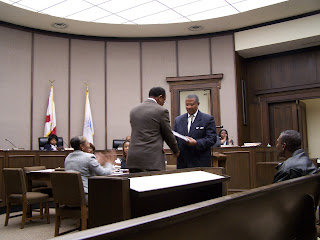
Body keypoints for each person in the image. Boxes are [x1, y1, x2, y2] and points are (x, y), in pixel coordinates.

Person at [127, 87, 179, 172]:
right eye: (164, 101)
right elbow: (167, 134)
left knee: (135, 184)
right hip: (151, 160)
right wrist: (175, 150)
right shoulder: (161, 111)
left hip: (134, 159)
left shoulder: (134, 110)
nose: (163, 103)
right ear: (159, 97)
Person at [64, 136, 113, 204]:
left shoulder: (68, 157)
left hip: (69, 196)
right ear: (81, 146)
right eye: (87, 143)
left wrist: (97, 162)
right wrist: (109, 163)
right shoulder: (89, 157)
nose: (89, 145)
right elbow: (103, 173)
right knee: (111, 195)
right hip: (85, 196)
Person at [173, 94, 217, 168]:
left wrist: (196, 143)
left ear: (198, 104)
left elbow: (212, 138)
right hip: (183, 162)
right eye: (187, 105)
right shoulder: (178, 120)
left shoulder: (207, 119)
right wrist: (174, 150)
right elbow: (174, 138)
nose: (189, 107)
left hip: (200, 161)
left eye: (192, 104)